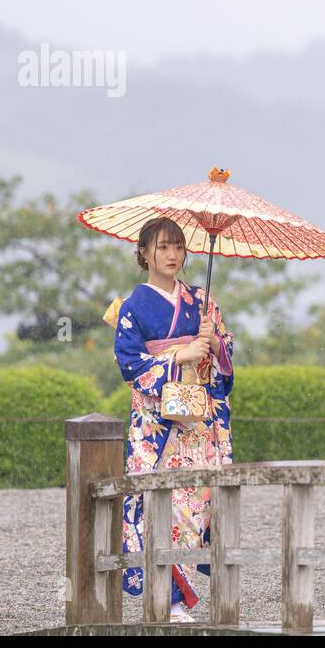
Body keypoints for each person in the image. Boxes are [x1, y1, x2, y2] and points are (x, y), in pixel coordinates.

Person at [105, 216, 234, 622]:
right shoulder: (133, 307)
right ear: (143, 253)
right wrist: (179, 356)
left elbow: (225, 361)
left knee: (197, 501)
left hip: (197, 423)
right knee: (159, 501)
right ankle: (169, 599)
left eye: (178, 247)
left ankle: (189, 594)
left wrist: (213, 342)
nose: (172, 255)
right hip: (157, 425)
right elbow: (130, 365)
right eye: (162, 247)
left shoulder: (202, 301)